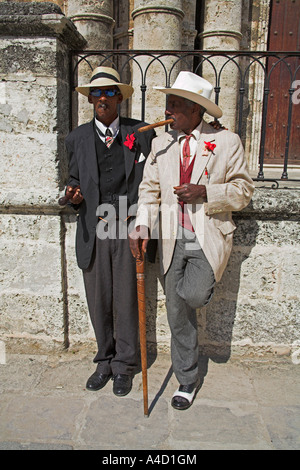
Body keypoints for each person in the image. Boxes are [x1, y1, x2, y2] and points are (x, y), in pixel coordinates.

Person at [129, 71, 255, 410]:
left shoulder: (227, 142)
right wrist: (142, 224)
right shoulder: (160, 144)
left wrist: (206, 192)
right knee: (175, 312)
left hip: (207, 237)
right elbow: (149, 191)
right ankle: (187, 379)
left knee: (193, 295)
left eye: (175, 105)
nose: (168, 110)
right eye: (168, 103)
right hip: (170, 240)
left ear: (196, 109)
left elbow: (243, 192)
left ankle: (188, 345)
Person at [64, 66, 155, 396]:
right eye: (97, 93)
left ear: (119, 97)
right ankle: (104, 359)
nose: (103, 98)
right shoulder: (76, 138)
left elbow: (161, 164)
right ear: (90, 99)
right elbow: (74, 180)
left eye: (109, 92)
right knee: (99, 298)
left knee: (127, 299)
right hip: (95, 228)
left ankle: (125, 366)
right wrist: (71, 195)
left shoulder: (140, 132)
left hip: (128, 227)